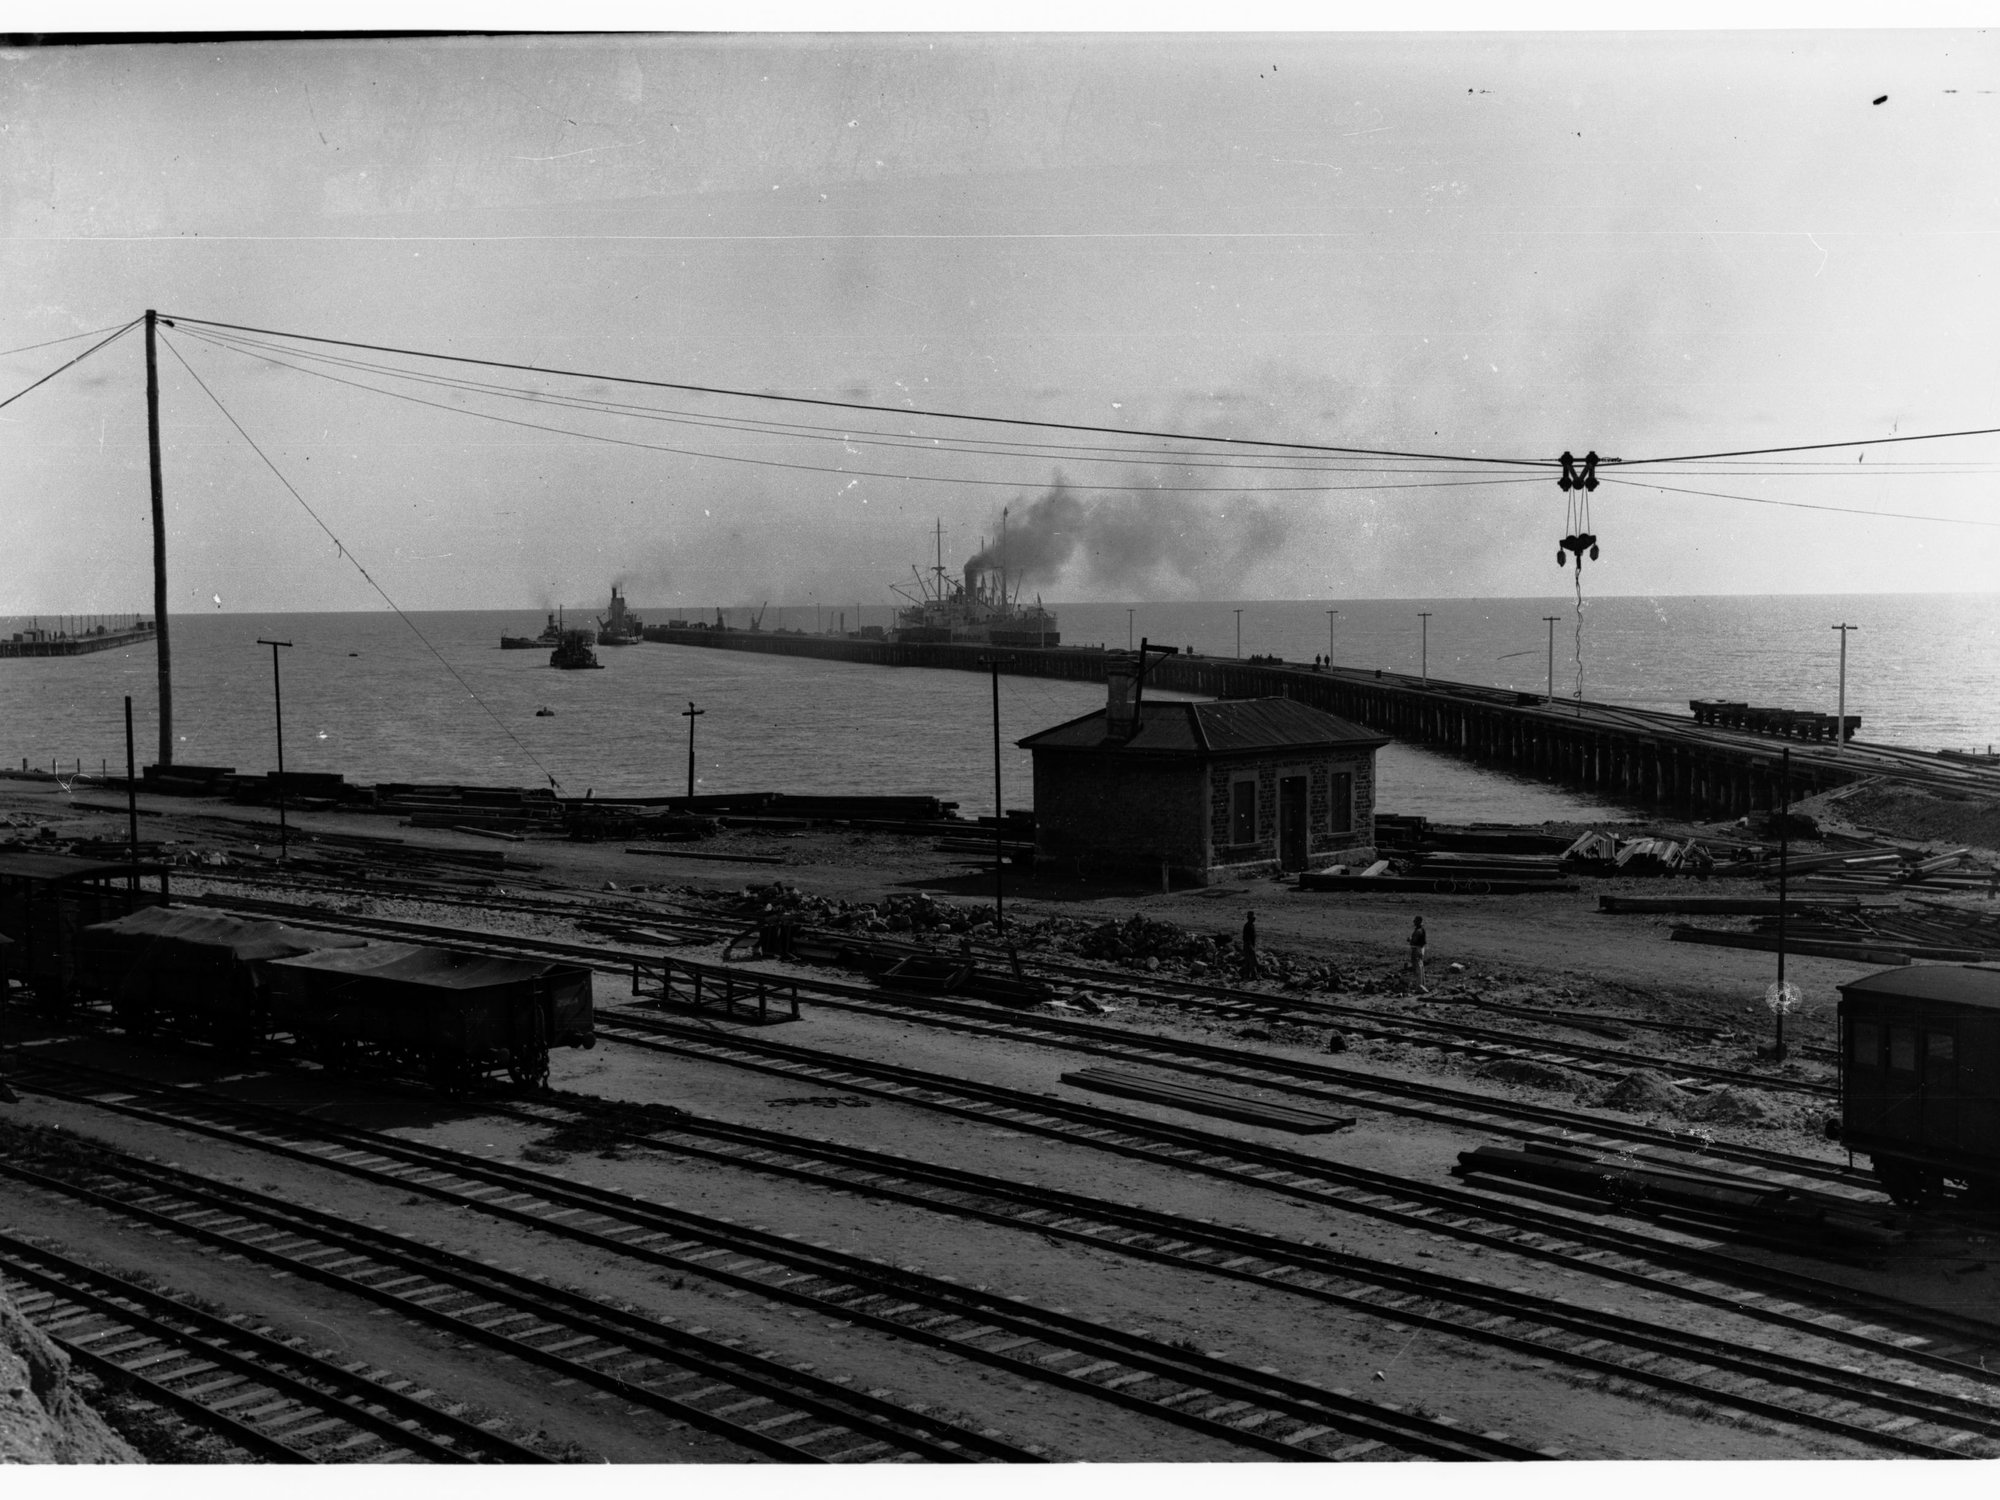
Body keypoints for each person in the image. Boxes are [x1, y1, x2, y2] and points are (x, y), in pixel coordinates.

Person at [1407, 915, 1428, 988]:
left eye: (1415, 920)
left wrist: (1410, 940)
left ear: (1418, 921)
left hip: (1417, 949)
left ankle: (1419, 985)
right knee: (1421, 967)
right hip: (1421, 949)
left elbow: (1414, 940)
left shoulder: (1418, 930)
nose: (1414, 922)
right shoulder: (1422, 929)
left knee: (1417, 967)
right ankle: (1422, 984)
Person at [1241, 911, 1259, 980]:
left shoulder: (1251, 925)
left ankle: (1248, 975)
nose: (1254, 919)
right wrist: (1250, 946)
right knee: (1251, 961)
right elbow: (1246, 937)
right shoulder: (1247, 926)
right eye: (1253, 918)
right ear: (1249, 918)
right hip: (1248, 945)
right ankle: (1252, 976)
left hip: (1250, 945)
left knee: (1249, 961)